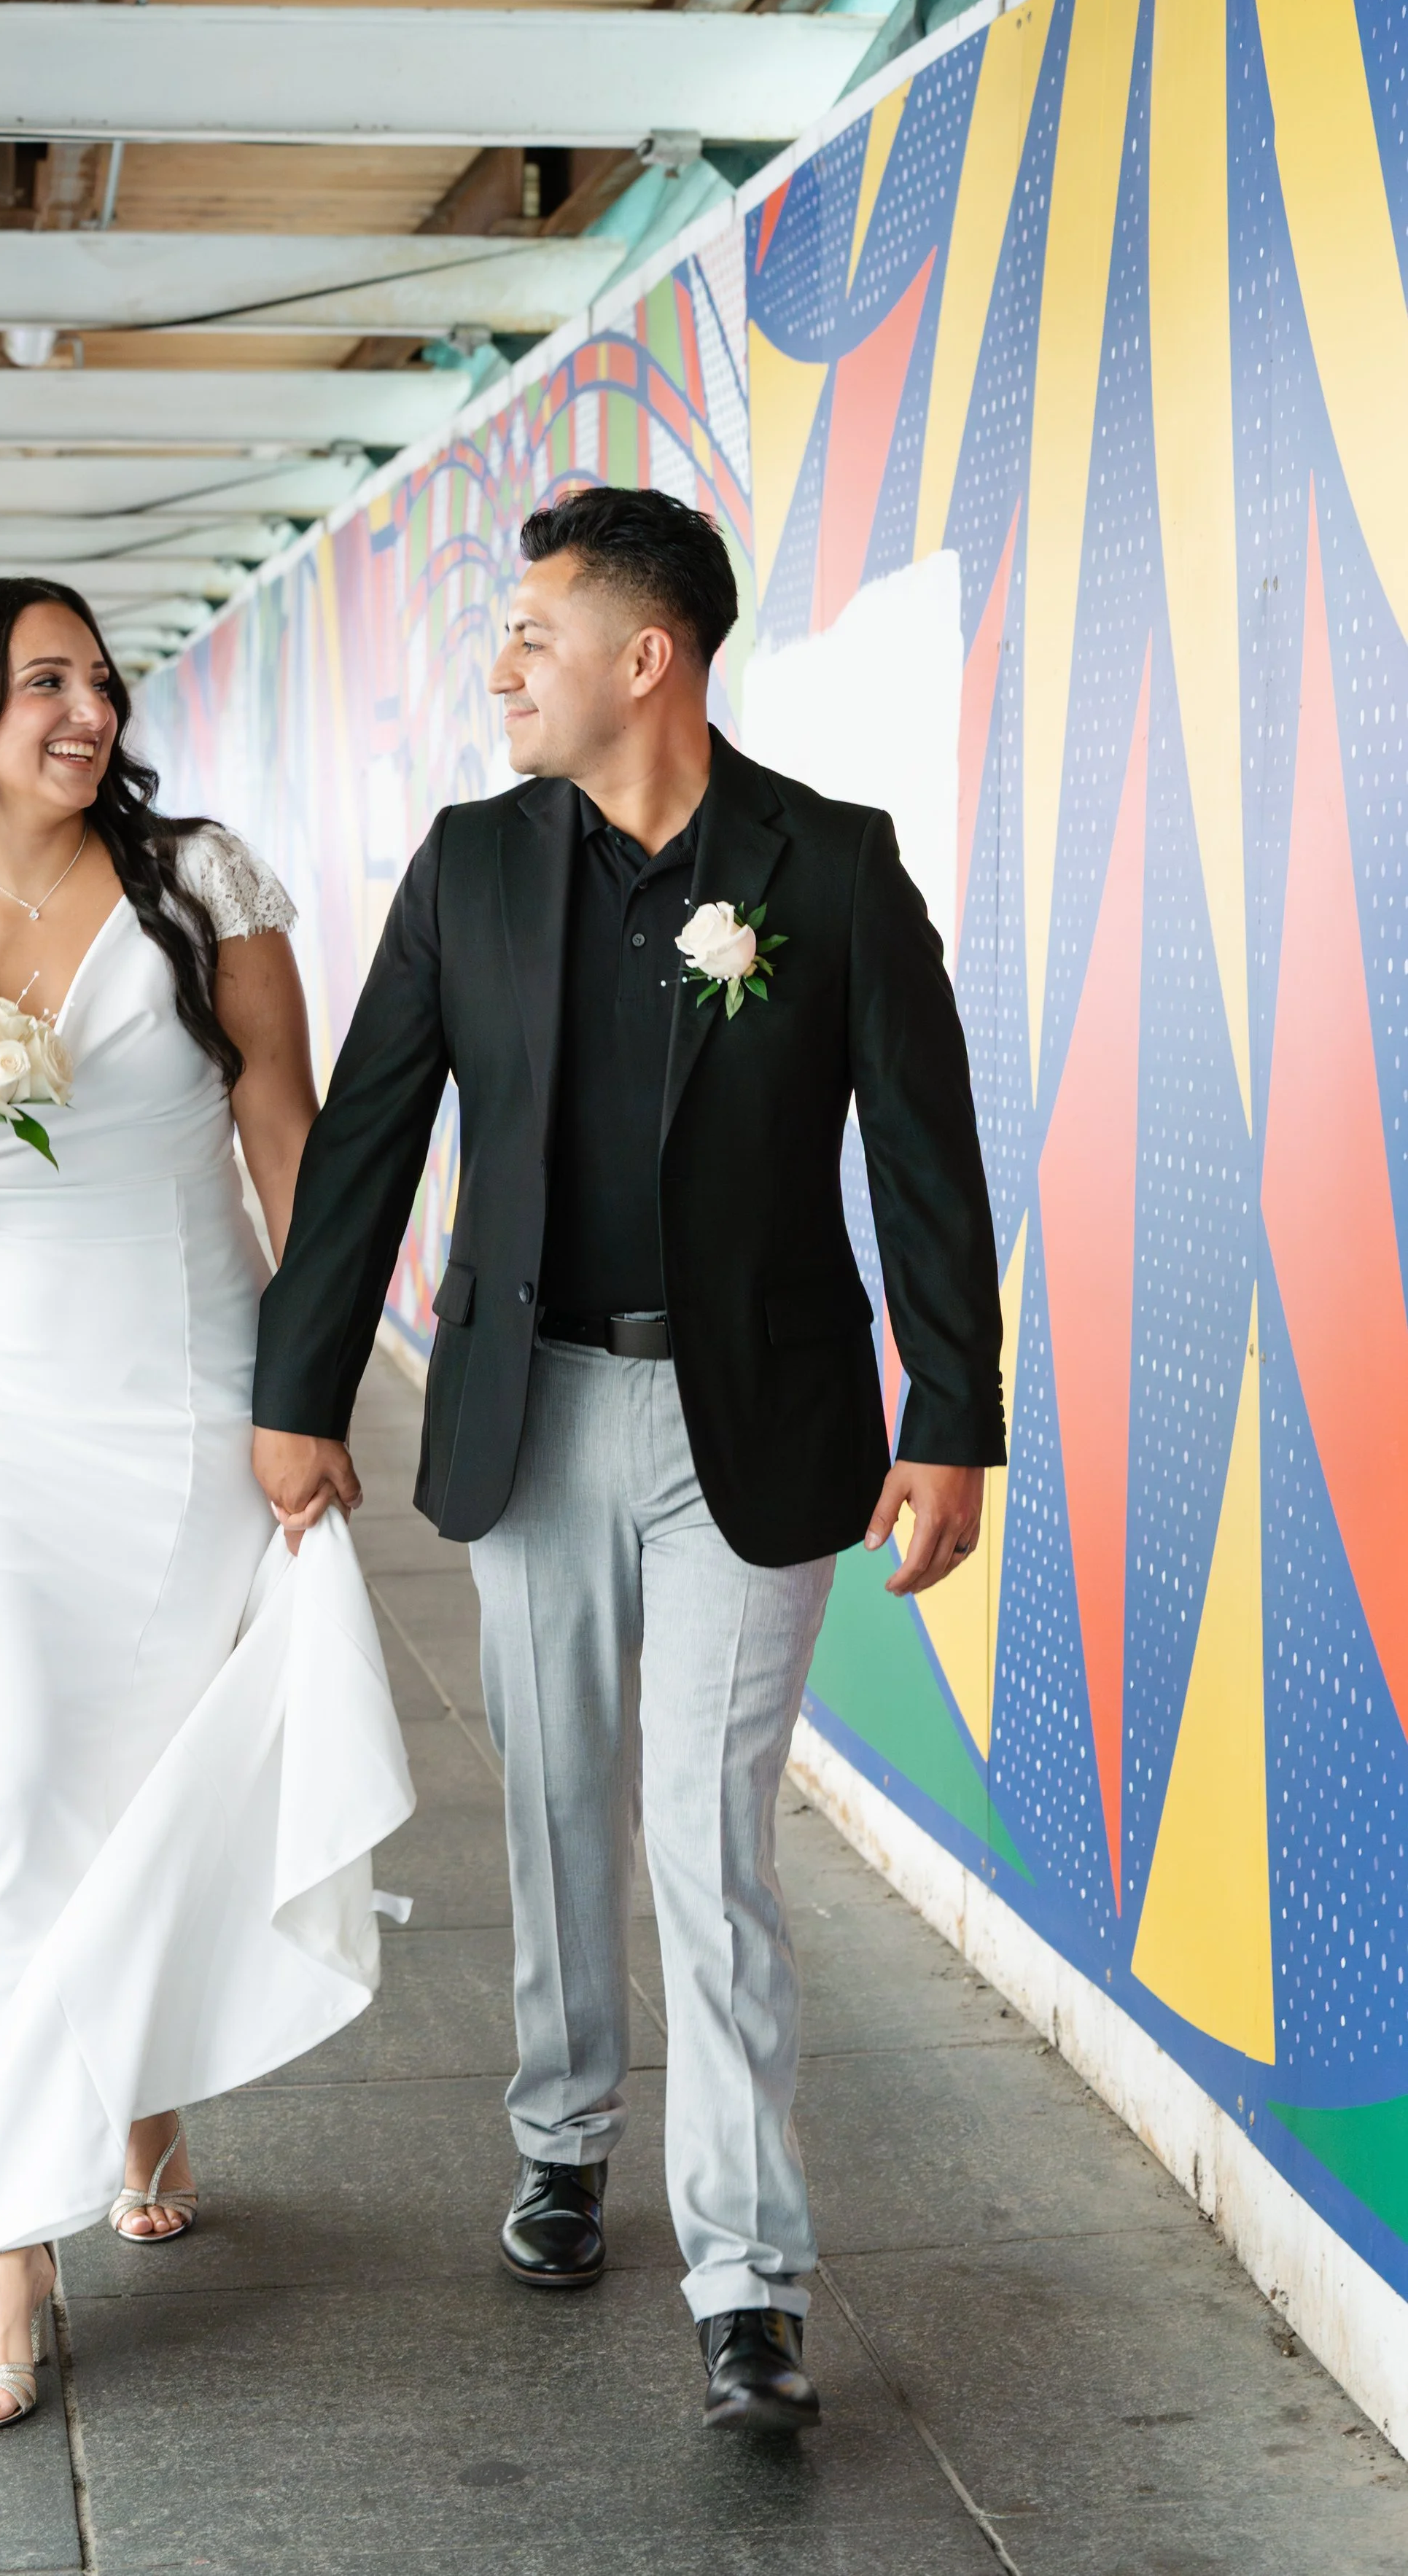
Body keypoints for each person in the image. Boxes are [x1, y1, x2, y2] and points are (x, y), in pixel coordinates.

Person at [252, 486, 1006, 2434]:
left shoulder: (827, 869)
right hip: (534, 1410)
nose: (500, 662)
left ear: (641, 657)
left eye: (531, 627)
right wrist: (299, 1386)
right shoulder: (470, 866)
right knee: (557, 1808)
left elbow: (925, 1161)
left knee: (710, 1838)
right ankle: (563, 2130)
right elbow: (365, 1144)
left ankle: (747, 2271)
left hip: (753, 1423)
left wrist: (953, 1417)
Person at [0, 577, 343, 2429]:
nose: (88, 711)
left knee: (144, 1772)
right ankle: (3, 2251)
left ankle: (135, 2081)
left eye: (100, 682)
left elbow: (293, 1150)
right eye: (45, 682)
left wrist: (308, 1397)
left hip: (187, 1397)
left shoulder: (203, 888)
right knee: (9, 1778)